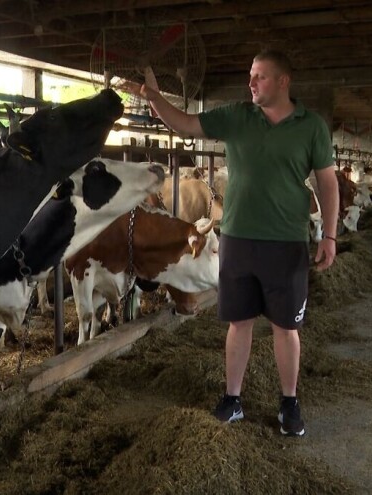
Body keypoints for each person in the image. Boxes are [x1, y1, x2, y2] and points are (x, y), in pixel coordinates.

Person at [119, 50, 339, 437]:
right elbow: (185, 125)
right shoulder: (237, 116)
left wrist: (330, 234)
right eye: (251, 76)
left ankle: (289, 403)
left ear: (284, 81)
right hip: (237, 239)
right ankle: (232, 399)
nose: (251, 83)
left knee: (286, 327)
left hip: (286, 242)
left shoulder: (312, 127)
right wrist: (154, 98)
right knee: (239, 324)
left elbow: (327, 182)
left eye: (261, 77)